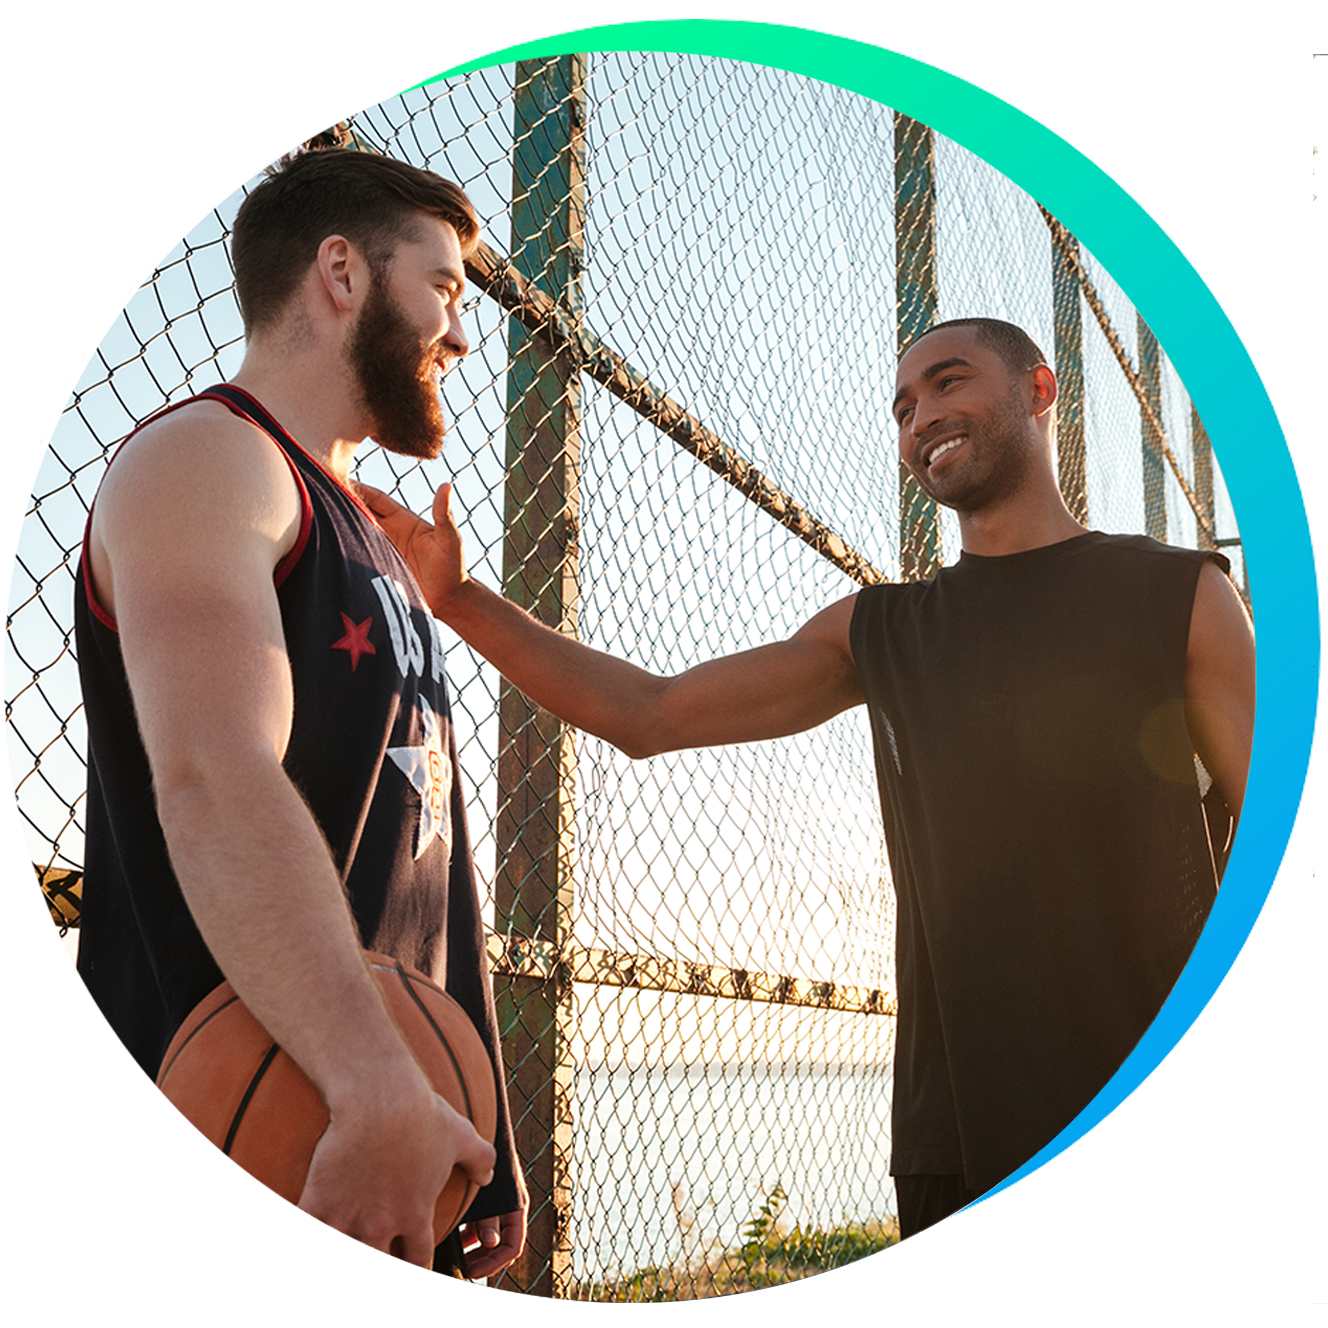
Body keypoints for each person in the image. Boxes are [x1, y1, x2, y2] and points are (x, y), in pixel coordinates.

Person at [357, 316, 1256, 1242]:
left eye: (949, 383)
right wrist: (457, 598)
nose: (921, 419)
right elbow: (649, 714)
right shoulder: (882, 630)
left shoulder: (1177, 592)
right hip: (957, 1126)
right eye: (904, 407)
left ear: (1038, 391)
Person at [73, 142, 527, 1301]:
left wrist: (476, 1112)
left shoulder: (370, 530)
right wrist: (377, 1081)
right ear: (340, 272)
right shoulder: (208, 458)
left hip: (385, 1123)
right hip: (235, 1138)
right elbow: (216, 777)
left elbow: (424, 846)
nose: (462, 334)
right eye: (443, 287)